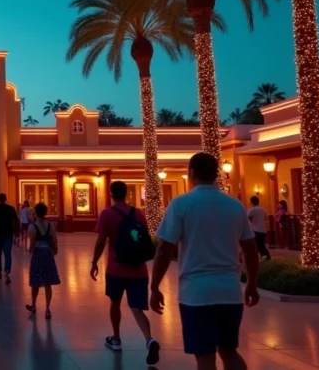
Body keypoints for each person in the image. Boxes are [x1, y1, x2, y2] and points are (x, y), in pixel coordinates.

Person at [151, 153, 259, 370]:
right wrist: (251, 284)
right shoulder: (235, 206)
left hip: (196, 294)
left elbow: (164, 249)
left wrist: (154, 286)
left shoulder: (181, 204)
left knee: (204, 356)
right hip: (230, 291)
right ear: (216, 173)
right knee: (229, 351)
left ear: (191, 173)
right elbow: (251, 250)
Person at [91, 181, 160, 365]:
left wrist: (94, 262)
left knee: (115, 303)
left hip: (116, 269)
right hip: (138, 269)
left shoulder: (107, 213)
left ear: (111, 194)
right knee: (137, 308)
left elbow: (101, 241)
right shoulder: (138, 213)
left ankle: (116, 339)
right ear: (126, 193)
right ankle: (149, 340)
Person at [26, 203, 60, 319]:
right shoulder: (51, 225)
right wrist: (55, 250)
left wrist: (30, 251)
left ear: (35, 212)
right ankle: (47, 309)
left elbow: (32, 243)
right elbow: (54, 240)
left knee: (35, 282)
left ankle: (34, 305)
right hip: (48, 254)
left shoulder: (32, 226)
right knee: (47, 282)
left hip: (37, 254)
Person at [246, 196, 272, 260]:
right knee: (261, 245)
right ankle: (265, 257)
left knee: (258, 246)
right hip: (263, 230)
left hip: (255, 230)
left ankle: (266, 257)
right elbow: (265, 219)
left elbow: (247, 219)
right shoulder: (263, 210)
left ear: (251, 202)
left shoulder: (251, 210)